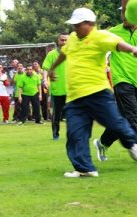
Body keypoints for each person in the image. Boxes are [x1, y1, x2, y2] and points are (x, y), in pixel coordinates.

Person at [48, 8, 137, 178]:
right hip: (74, 96)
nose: (75, 28)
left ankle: (132, 143)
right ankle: (84, 168)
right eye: (73, 25)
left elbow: (118, 44)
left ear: (89, 24)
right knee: (75, 133)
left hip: (97, 92)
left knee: (115, 122)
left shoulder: (100, 36)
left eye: (78, 25)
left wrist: (132, 50)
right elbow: (64, 54)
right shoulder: (73, 38)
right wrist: (52, 68)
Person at [93, 6, 137, 161]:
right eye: (121, 11)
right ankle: (135, 147)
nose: (123, 15)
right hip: (122, 80)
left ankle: (102, 142)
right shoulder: (112, 32)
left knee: (123, 119)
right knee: (132, 116)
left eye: (126, 11)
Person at [42, 33, 69, 140]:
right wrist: (44, 79)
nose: (64, 42)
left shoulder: (74, 53)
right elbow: (45, 68)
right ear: (58, 41)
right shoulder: (52, 54)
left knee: (73, 114)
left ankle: (73, 135)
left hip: (72, 90)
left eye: (66, 40)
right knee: (56, 114)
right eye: (62, 40)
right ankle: (55, 134)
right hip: (57, 90)